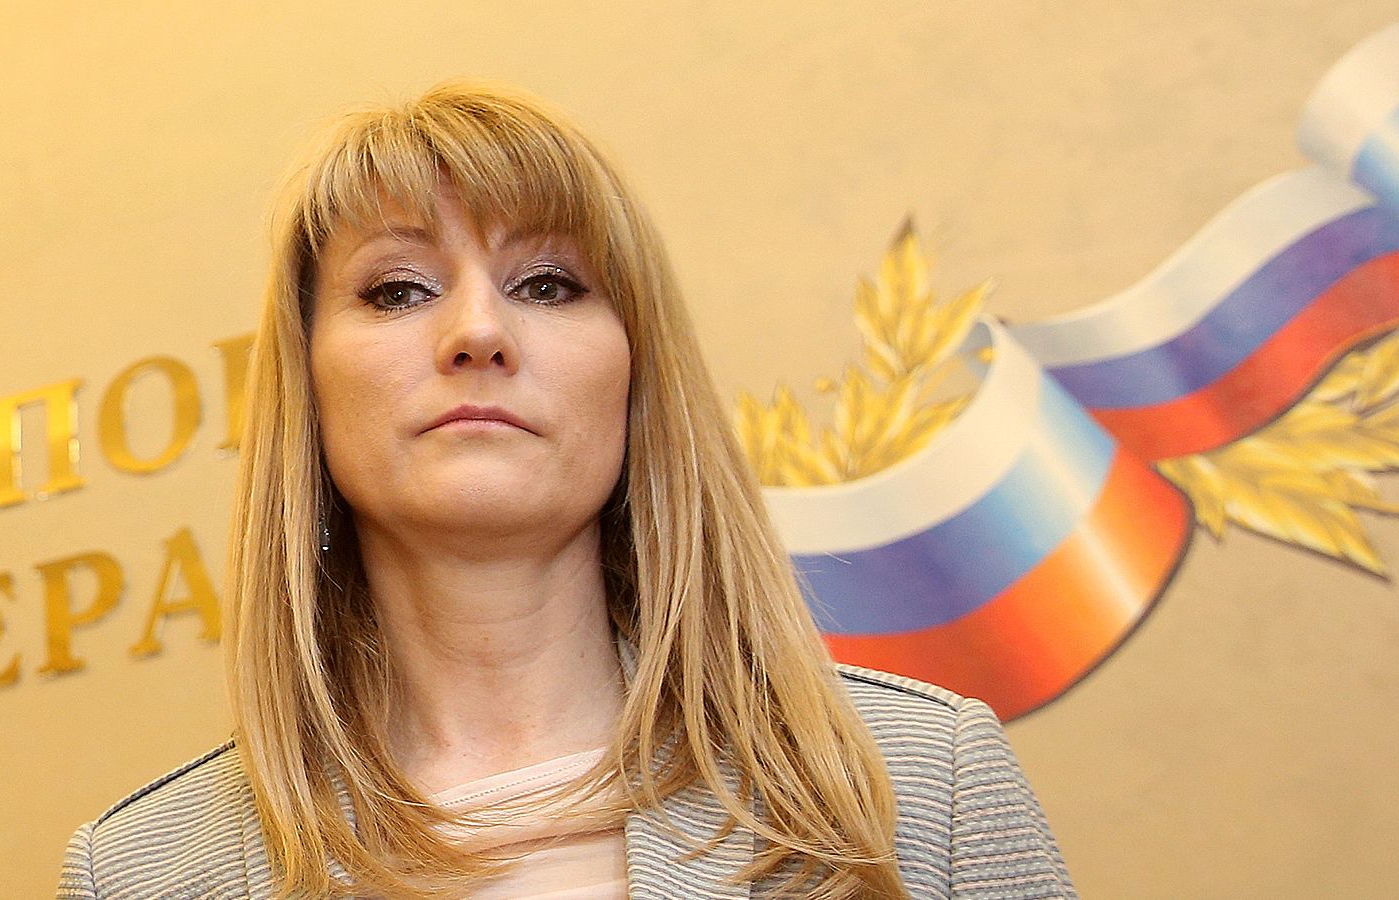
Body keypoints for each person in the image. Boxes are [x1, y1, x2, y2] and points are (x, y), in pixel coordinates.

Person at [56, 81, 1075, 899]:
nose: (477, 332)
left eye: (547, 284)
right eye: (398, 289)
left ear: (636, 374)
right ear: (308, 387)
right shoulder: (140, 874)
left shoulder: (923, 785)